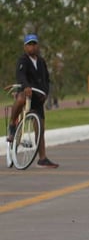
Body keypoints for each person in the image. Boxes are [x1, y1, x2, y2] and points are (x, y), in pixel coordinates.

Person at [7, 34, 59, 168]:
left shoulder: (41, 61)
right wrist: (26, 87)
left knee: (40, 128)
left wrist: (45, 93)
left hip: (38, 96)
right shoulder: (22, 60)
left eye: (34, 44)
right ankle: (12, 123)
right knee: (20, 99)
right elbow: (21, 75)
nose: (32, 46)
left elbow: (47, 79)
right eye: (29, 44)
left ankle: (42, 159)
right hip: (26, 92)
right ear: (25, 46)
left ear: (38, 45)